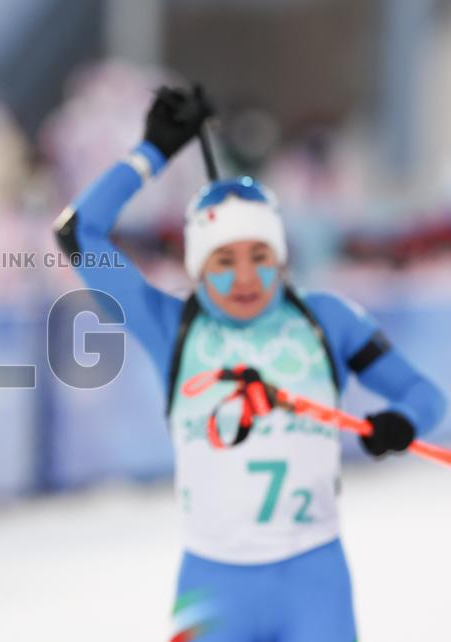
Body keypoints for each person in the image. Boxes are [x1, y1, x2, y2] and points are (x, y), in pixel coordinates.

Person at [53, 86, 446, 642]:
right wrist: (153, 152)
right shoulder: (171, 326)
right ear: (195, 266)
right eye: (223, 260)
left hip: (314, 580)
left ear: (281, 257)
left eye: (259, 256)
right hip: (214, 587)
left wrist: (401, 423)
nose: (243, 277)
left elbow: (426, 395)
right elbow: (78, 233)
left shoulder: (326, 320)